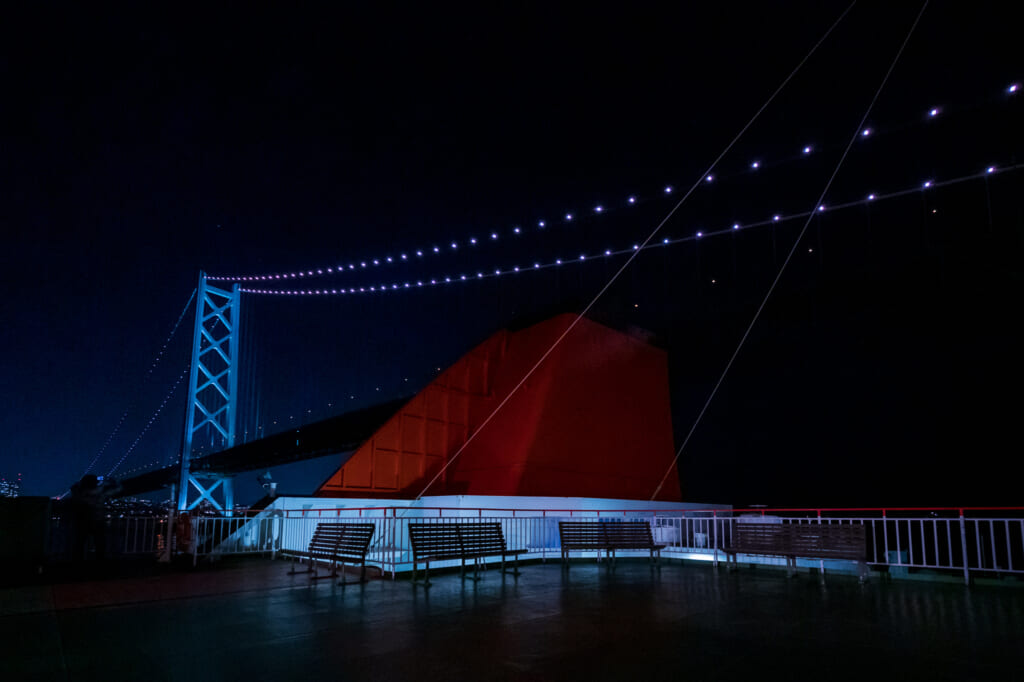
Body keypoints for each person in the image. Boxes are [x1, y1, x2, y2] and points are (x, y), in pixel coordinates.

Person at [69, 474, 122, 562]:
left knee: (79, 545)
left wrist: (79, 484)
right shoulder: (101, 494)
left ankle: (77, 565)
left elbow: (73, 487)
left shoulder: (79, 495)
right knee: (100, 545)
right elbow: (119, 488)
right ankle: (99, 564)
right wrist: (113, 481)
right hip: (99, 522)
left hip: (83, 523)